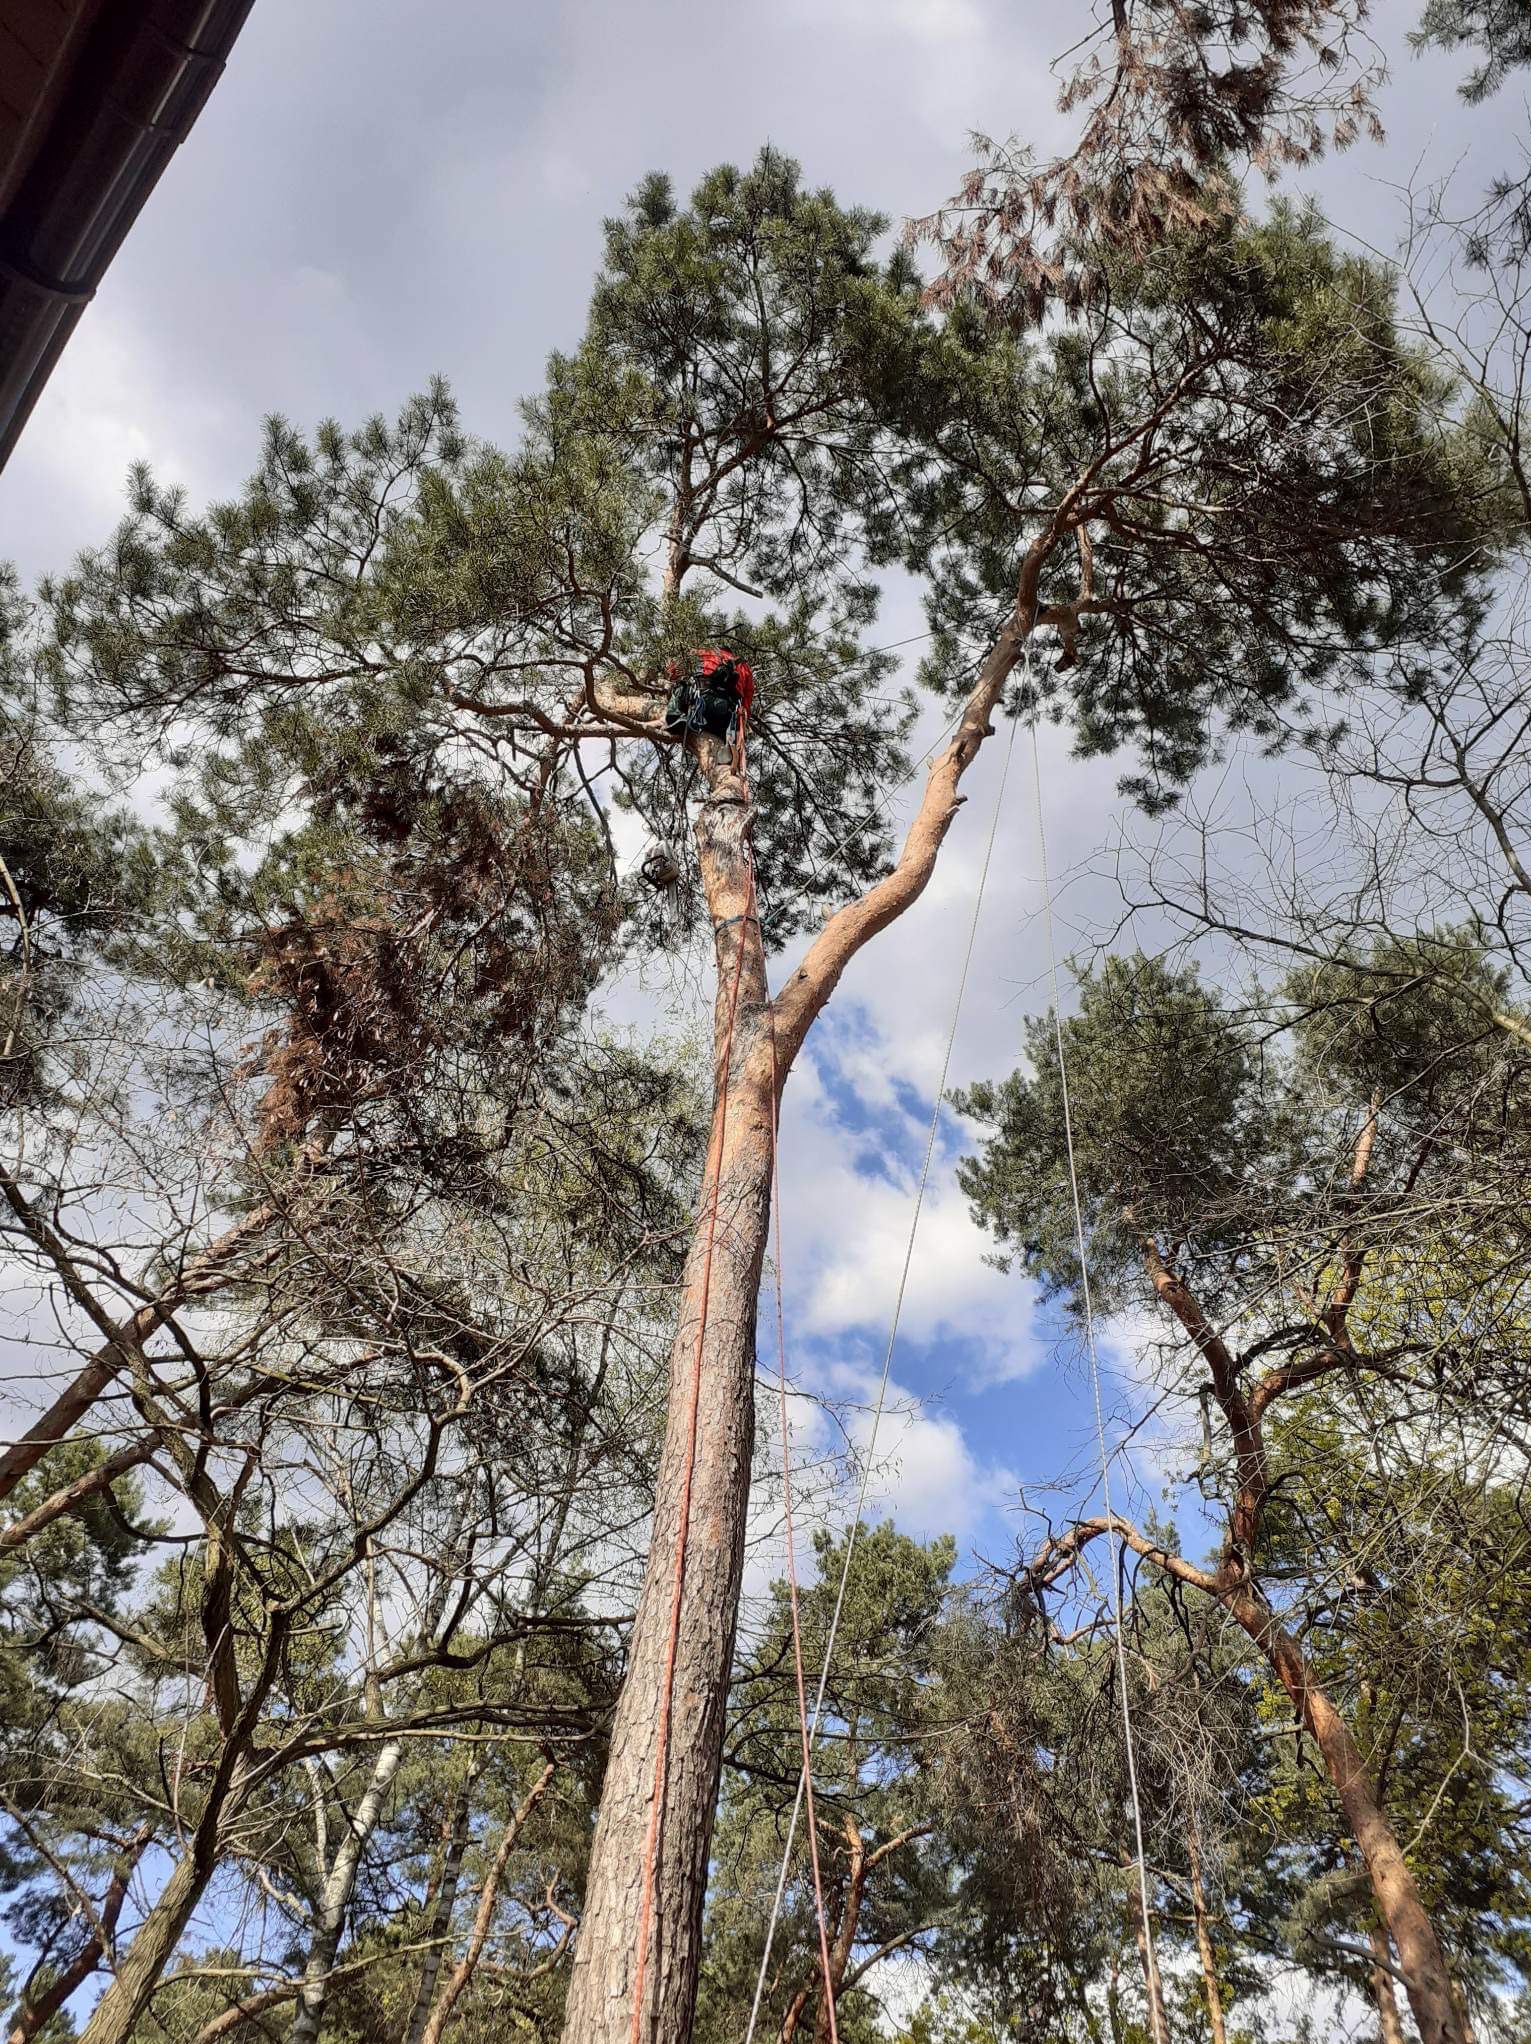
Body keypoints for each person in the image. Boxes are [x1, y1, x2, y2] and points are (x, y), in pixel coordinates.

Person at [663, 648, 755, 747]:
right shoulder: (744, 666)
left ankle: (676, 716)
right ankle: (720, 740)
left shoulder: (704, 651)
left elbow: (675, 670)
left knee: (680, 686)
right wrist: (739, 725)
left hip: (702, 702)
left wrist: (669, 675)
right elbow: (747, 700)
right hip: (725, 713)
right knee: (718, 744)